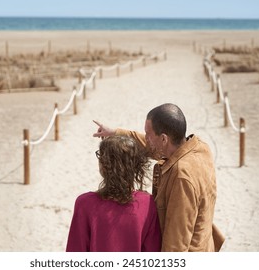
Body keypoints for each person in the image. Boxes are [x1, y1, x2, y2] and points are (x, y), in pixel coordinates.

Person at [93, 103, 225, 252]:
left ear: (163, 139)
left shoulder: (181, 176)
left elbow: (177, 243)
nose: (146, 139)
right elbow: (150, 146)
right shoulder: (198, 147)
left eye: (148, 135)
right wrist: (116, 132)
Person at [66, 135, 161, 252]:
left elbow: (75, 252)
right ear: (136, 167)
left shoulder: (84, 203)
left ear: (103, 166)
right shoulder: (148, 204)